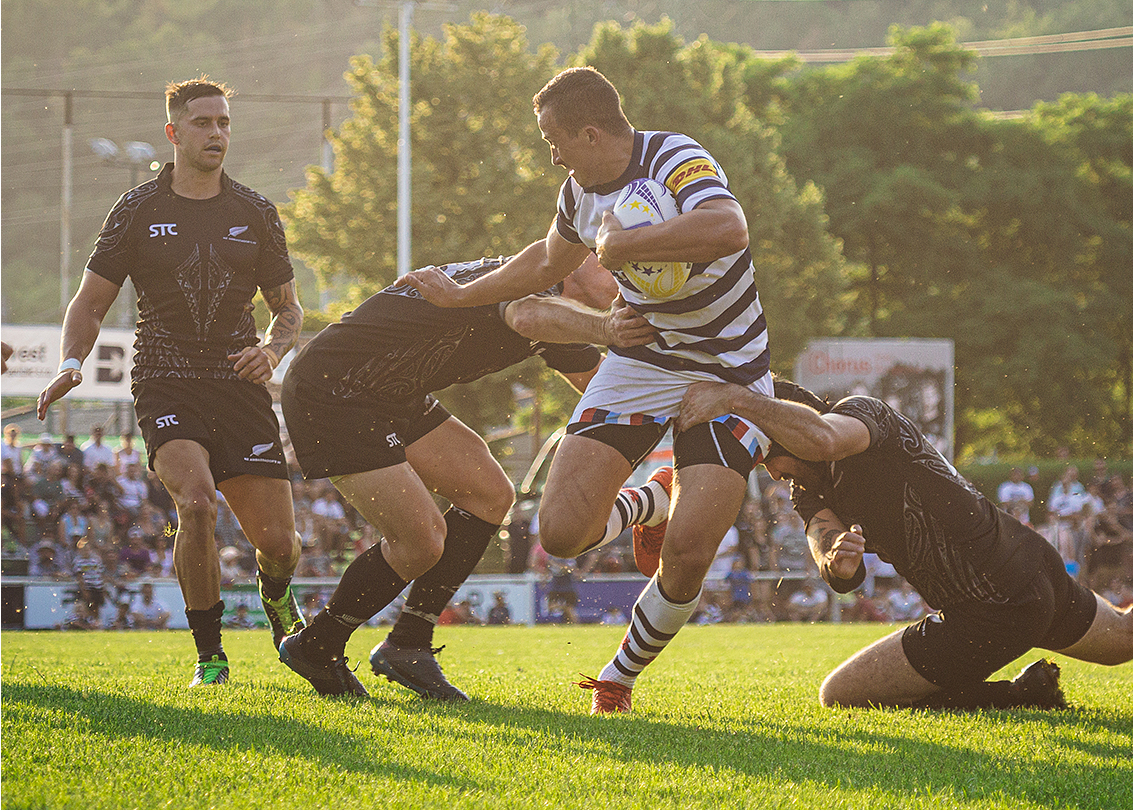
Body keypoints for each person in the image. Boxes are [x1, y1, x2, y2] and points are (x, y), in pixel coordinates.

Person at [397, 66, 775, 715]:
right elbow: (546, 263)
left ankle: (617, 677)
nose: (553, 155)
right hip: (641, 360)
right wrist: (462, 294)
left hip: (728, 367)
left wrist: (628, 244)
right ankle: (650, 501)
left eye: (555, 140)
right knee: (563, 531)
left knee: (688, 554)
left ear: (591, 132)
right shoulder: (578, 192)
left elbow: (728, 228)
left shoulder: (675, 157)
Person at [676, 379, 1133, 711]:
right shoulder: (811, 487)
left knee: (839, 695)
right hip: (1027, 566)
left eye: (769, 458)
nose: (772, 472)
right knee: (1130, 633)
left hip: (992, 601)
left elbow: (824, 438)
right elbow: (828, 551)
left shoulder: (859, 415)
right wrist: (840, 562)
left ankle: (1017, 696)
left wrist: (735, 398)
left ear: (786, 428)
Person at [275, 252, 656, 700]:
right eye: (612, 264)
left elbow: (610, 395)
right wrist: (608, 329)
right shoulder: (532, 282)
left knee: (491, 494)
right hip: (332, 389)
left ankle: (408, 644)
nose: (624, 278)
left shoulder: (562, 319)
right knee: (421, 540)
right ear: (577, 258)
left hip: (391, 392)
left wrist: (687, 407)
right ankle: (317, 646)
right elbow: (529, 313)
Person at [36, 76, 306, 688]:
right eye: (204, 123)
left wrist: (273, 348)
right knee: (197, 503)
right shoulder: (136, 210)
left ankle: (275, 590)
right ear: (173, 132)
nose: (217, 133)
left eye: (225, 123)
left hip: (240, 387)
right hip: (166, 382)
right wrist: (71, 363)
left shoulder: (257, 212)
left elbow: (289, 308)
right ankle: (210, 656)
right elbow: (88, 304)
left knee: (281, 545)